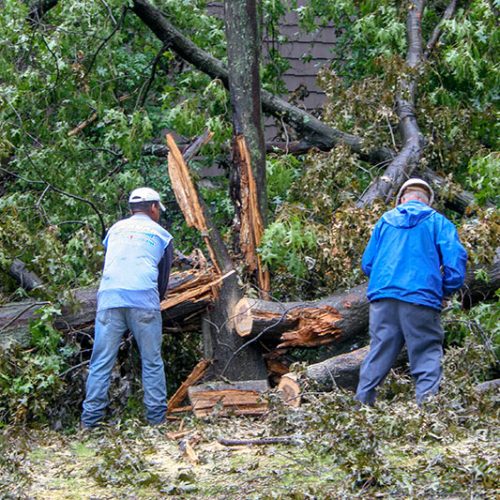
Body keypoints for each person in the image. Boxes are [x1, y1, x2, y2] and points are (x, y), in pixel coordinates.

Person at [355, 178, 467, 406]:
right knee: (425, 353)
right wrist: (444, 290)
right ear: (427, 201)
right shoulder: (439, 222)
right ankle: (426, 413)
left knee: (379, 352)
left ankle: (361, 408)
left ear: (402, 199)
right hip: (421, 299)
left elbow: (367, 264)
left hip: (383, 299)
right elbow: (456, 265)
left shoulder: (385, 222)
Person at [82, 187, 174, 427]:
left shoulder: (114, 230)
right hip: (143, 300)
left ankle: (89, 423)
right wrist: (153, 305)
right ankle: (156, 421)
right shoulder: (162, 235)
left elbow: (113, 263)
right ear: (154, 208)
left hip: (109, 299)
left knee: (101, 361)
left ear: (132, 209)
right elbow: (162, 281)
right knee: (152, 361)